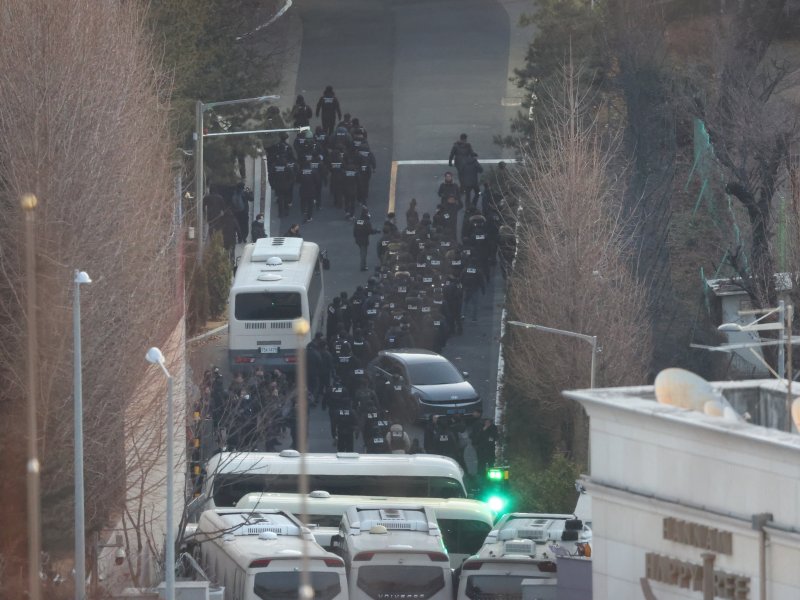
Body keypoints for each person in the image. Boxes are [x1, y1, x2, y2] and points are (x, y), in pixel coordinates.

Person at [353, 206, 378, 271]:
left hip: (358, 239)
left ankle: (363, 265)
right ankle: (363, 266)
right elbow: (370, 231)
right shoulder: (367, 222)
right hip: (364, 239)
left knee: (362, 251)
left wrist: (355, 237)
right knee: (363, 253)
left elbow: (354, 230)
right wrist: (376, 231)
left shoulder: (358, 221)